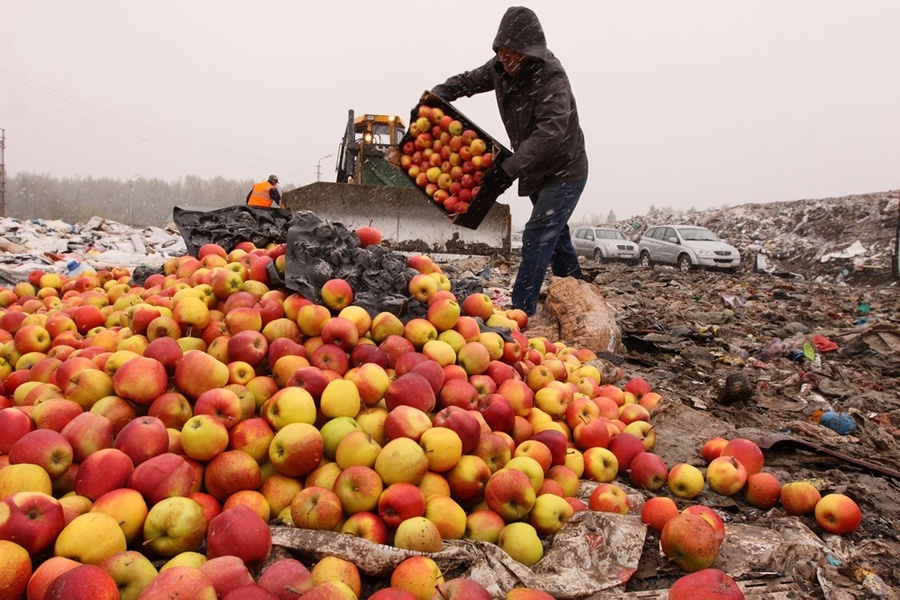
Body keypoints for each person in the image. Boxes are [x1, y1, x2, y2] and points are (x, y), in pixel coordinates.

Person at [431, 6, 588, 317]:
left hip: (564, 170)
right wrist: (440, 94)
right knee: (555, 237)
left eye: (513, 53)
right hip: (534, 171)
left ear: (529, 52)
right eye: (501, 52)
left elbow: (551, 132)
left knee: (537, 234)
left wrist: (507, 171)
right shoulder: (499, 68)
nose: (506, 59)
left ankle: (521, 312)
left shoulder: (551, 77)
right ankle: (581, 300)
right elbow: (468, 81)